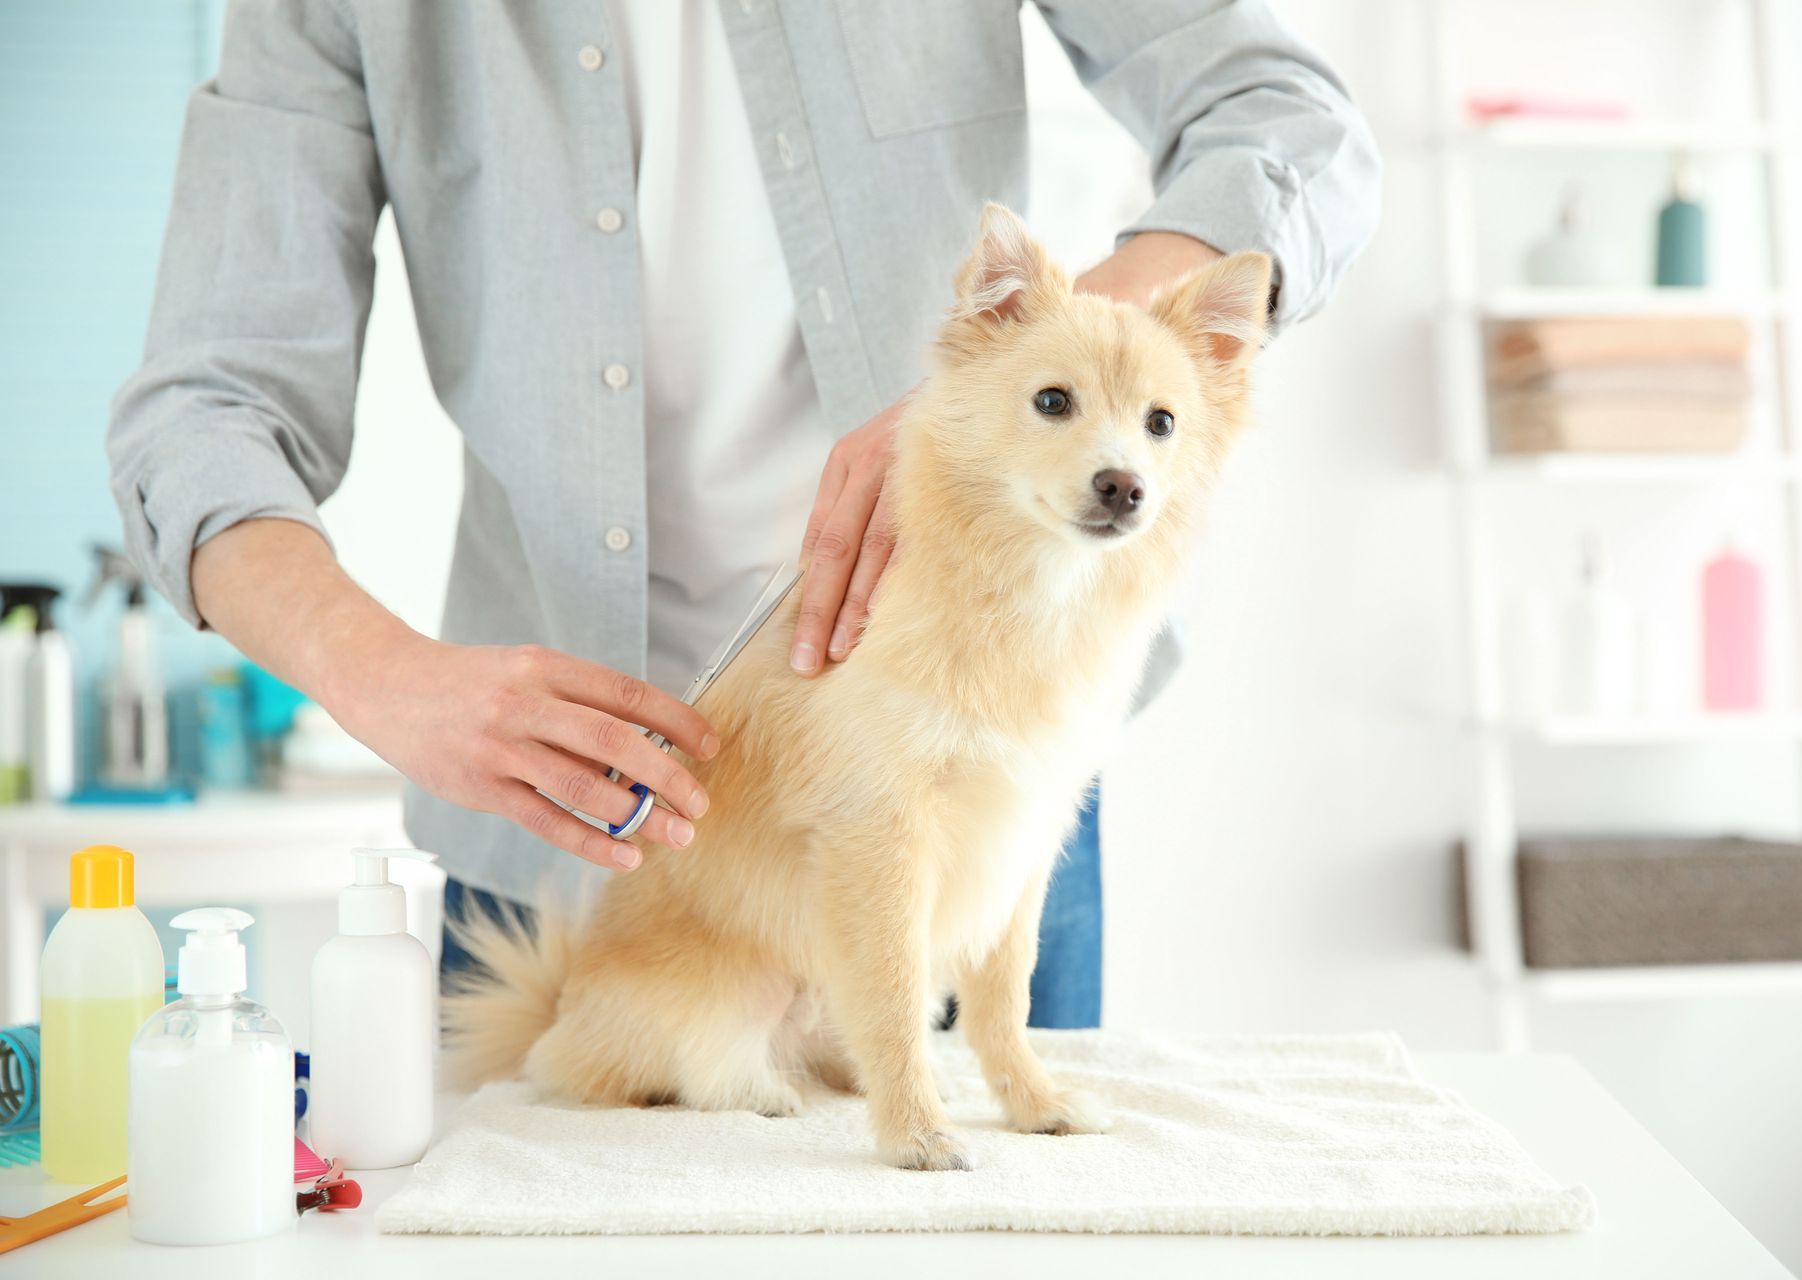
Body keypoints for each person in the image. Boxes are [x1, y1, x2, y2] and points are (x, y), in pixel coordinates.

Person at [107, 0, 1379, 1029]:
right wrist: (377, 673)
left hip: (963, 815)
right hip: (556, 861)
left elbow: (1290, 122)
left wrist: (1046, 362)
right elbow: (207, 406)